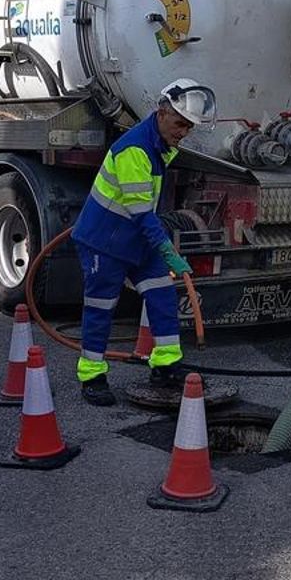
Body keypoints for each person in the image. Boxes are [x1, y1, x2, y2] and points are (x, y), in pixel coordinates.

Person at [69, 79, 217, 406]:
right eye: (180, 123)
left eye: (189, 126)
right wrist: (168, 250)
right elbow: (141, 214)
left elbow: (146, 210)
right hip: (104, 243)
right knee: (101, 307)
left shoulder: (160, 144)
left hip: (135, 241)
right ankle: (92, 375)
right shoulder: (135, 149)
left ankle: (165, 366)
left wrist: (159, 249)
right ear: (161, 112)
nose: (184, 132)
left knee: (162, 297)